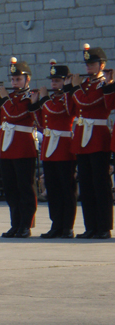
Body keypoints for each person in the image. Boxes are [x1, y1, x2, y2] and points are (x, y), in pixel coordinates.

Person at [69, 45, 115, 239]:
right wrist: (76, 87)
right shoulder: (86, 85)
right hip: (81, 137)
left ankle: (104, 227)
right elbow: (73, 110)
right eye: (87, 64)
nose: (89, 67)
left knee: (100, 184)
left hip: (97, 136)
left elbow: (88, 103)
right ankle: (91, 226)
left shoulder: (104, 85)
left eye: (93, 63)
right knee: (86, 185)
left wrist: (76, 88)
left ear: (101, 65)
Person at [28, 60, 77, 238]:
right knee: (53, 188)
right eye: (53, 81)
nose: (53, 84)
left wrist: (44, 99)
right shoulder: (53, 98)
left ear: (65, 81)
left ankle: (67, 226)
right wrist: (35, 104)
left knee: (66, 188)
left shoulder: (68, 96)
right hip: (49, 147)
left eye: (57, 81)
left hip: (63, 147)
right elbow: (42, 122)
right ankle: (56, 224)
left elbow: (59, 112)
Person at [0, 57, 38, 238]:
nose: (14, 82)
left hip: (22, 146)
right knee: (11, 188)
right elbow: (1, 118)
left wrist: (3, 98)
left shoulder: (29, 97)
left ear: (27, 79)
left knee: (25, 187)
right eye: (12, 79)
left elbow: (14, 113)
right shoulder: (10, 97)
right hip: (7, 146)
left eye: (18, 79)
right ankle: (16, 223)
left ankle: (26, 224)